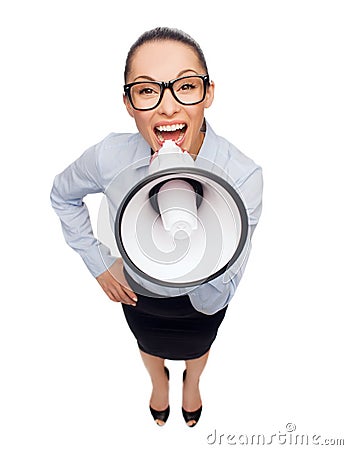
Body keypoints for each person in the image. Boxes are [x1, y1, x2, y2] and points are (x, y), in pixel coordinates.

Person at [51, 27, 263, 427]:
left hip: (203, 302)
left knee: (200, 345)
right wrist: (98, 263)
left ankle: (193, 382)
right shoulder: (108, 158)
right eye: (148, 90)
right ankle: (159, 383)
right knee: (147, 342)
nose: (168, 108)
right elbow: (63, 196)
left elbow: (229, 277)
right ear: (129, 103)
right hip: (137, 292)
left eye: (185, 86)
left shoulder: (243, 175)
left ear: (209, 93)